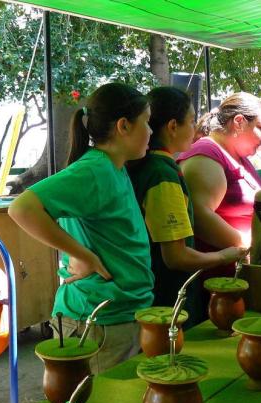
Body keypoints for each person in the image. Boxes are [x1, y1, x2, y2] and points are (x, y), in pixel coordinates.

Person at [8, 83, 155, 372]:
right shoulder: (95, 170)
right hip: (97, 320)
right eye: (146, 123)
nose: (151, 132)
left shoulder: (114, 166)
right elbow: (22, 208)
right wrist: (82, 255)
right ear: (123, 126)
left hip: (118, 315)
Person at [129, 87, 248, 327]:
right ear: (173, 126)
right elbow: (176, 256)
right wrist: (224, 255)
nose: (195, 129)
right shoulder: (162, 174)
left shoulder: (149, 166)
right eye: (192, 121)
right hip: (166, 302)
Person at [177, 93, 261, 260]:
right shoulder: (206, 154)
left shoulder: (238, 157)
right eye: (260, 128)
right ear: (239, 122)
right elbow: (200, 217)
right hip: (219, 279)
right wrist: (256, 244)